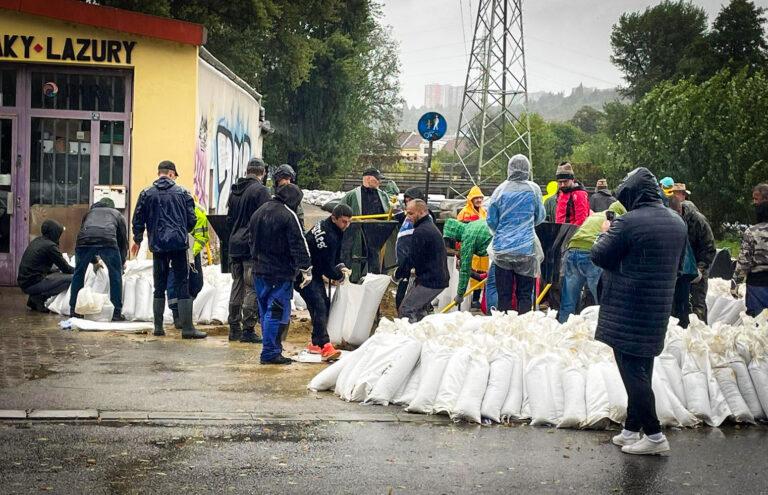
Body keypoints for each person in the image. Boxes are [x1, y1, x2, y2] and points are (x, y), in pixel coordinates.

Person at [591, 167, 687, 456]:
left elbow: (599, 256)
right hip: (657, 307)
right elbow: (679, 264)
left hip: (627, 307)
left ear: (633, 195)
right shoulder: (677, 222)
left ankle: (655, 435)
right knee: (644, 366)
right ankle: (631, 428)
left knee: (632, 372)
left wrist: (604, 233)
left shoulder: (627, 223)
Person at [131, 160, 205, 339]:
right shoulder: (182, 193)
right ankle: (187, 328)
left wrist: (138, 239)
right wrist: (181, 231)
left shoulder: (146, 193)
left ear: (159, 173)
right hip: (179, 245)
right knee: (182, 283)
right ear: (171, 174)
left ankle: (158, 327)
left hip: (158, 246)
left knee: (159, 286)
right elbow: (192, 219)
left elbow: (138, 219)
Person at [249, 183, 312, 365]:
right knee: (274, 312)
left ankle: (273, 347)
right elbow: (298, 243)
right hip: (279, 273)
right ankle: (269, 352)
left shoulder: (259, 212)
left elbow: (250, 240)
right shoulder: (287, 214)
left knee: (265, 311)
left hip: (259, 271)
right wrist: (306, 268)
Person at [487, 154, 546, 314]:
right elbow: (540, 216)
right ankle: (523, 325)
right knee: (525, 294)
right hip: (526, 249)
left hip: (502, 250)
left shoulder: (500, 191)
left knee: (504, 295)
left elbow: (491, 220)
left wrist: (504, 231)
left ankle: (503, 326)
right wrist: (524, 226)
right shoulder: (534, 190)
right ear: (527, 169)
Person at [557, 201, 626, 323]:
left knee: (569, 295)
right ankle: (603, 325)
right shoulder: (617, 219)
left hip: (572, 249)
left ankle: (564, 326)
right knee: (599, 294)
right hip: (591, 252)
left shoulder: (595, 215)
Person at [299, 204, 353, 360]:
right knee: (319, 305)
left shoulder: (331, 227)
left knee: (323, 304)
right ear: (334, 218)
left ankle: (316, 343)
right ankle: (325, 346)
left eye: (349, 222)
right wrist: (339, 276)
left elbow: (333, 257)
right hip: (304, 273)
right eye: (344, 221)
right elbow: (327, 266)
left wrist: (340, 265)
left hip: (312, 270)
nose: (347, 225)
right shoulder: (329, 235)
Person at [226, 158, 271, 342]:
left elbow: (229, 219)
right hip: (251, 246)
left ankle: (233, 327)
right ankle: (248, 329)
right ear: (262, 173)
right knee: (251, 286)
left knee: (237, 285)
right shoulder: (261, 191)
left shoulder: (235, 190)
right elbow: (267, 219)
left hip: (234, 244)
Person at [69, 198, 128, 321]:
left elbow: (86, 233)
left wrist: (94, 261)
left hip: (83, 242)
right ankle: (116, 313)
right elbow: (122, 242)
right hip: (108, 240)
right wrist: (121, 264)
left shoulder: (89, 213)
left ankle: (74, 310)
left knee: (79, 273)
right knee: (115, 275)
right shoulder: (117, 214)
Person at [396, 199, 449, 322]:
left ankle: (407, 339)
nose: (407, 217)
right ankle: (422, 334)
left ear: (421, 212)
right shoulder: (428, 227)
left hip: (430, 280)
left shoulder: (421, 232)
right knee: (419, 312)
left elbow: (412, 258)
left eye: (411, 213)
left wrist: (398, 274)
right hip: (436, 278)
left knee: (406, 310)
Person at [339, 168, 392, 276]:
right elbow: (339, 213)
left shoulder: (383, 196)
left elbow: (389, 215)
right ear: (368, 178)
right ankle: (354, 280)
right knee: (356, 264)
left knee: (375, 267)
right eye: (377, 179)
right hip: (356, 238)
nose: (379, 182)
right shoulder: (352, 195)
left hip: (377, 239)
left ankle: (373, 283)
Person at [17, 219, 74, 312]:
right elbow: (66, 268)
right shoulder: (50, 246)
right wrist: (82, 271)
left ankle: (34, 298)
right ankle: (39, 297)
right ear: (54, 233)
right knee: (72, 279)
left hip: (25, 282)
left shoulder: (38, 240)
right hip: (32, 284)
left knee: (57, 273)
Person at [166, 201, 208, 328]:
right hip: (176, 251)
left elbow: (202, 237)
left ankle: (184, 310)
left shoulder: (198, 214)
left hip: (191, 254)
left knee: (196, 283)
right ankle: (178, 315)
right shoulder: (172, 211)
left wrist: (191, 253)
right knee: (174, 282)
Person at [733, 184, 768, 316]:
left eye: (756, 199)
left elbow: (744, 262)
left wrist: (736, 282)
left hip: (757, 287)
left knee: (757, 326)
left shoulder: (752, 232)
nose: (754, 203)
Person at [680, 196, 716, 322]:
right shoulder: (673, 220)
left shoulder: (698, 221)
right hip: (681, 270)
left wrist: (700, 270)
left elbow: (710, 248)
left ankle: (699, 335)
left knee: (697, 304)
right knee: (680, 305)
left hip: (698, 267)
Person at [442, 218, 492, 308]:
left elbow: (465, 270)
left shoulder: (467, 237)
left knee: (493, 288)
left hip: (500, 255)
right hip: (507, 248)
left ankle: (495, 314)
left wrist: (460, 294)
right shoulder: (474, 224)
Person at [456, 185, 489, 307]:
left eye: (480, 198)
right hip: (471, 248)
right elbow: (459, 230)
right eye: (476, 198)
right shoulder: (464, 212)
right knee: (471, 273)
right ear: (471, 199)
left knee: (482, 273)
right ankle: (468, 300)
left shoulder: (484, 212)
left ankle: (476, 299)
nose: (479, 200)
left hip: (482, 249)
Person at [394, 187, 427, 310]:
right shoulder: (407, 216)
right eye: (406, 201)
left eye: (411, 201)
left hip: (414, 266)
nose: (408, 204)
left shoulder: (425, 219)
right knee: (401, 296)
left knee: (409, 301)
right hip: (404, 264)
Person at [669, 196, 700, 328]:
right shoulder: (682, 222)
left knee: (675, 306)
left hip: (679, 270)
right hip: (686, 270)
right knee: (683, 305)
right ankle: (683, 329)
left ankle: (678, 330)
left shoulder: (672, 223)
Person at [554, 162, 589, 226]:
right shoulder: (561, 192)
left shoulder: (579, 194)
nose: (562, 185)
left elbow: (581, 220)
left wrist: (567, 234)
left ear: (572, 180)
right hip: (560, 231)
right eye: (560, 182)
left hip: (571, 233)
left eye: (565, 181)